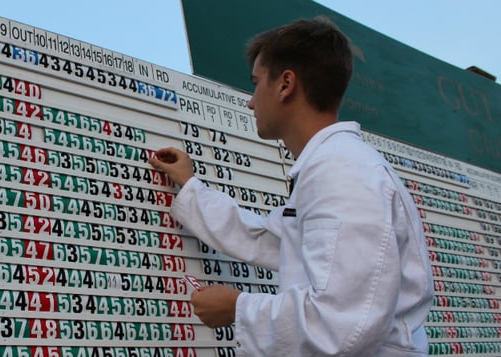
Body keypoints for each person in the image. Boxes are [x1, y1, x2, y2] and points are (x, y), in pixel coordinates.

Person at [149, 16, 434, 356]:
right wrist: (190, 186)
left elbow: (340, 325)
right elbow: (267, 238)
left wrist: (238, 308)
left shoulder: (342, 172)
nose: (251, 102)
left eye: (256, 84)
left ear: (285, 84)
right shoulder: (333, 167)